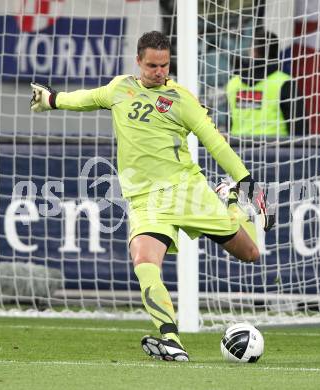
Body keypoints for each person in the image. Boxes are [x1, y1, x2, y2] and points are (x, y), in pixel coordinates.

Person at [30, 30, 274, 362]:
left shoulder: (181, 99)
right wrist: (52, 100)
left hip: (187, 192)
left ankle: (227, 197)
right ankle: (170, 339)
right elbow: (85, 98)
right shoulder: (120, 89)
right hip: (146, 199)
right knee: (144, 261)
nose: (159, 72)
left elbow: (215, 142)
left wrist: (246, 183)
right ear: (138, 62)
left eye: (164, 65)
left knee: (250, 253)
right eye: (152, 66)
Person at [227, 29, 308, 136]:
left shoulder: (233, 83)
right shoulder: (283, 82)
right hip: (276, 149)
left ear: (253, 51)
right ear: (275, 53)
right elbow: (299, 125)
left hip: (237, 147)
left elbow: (229, 121)